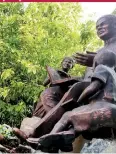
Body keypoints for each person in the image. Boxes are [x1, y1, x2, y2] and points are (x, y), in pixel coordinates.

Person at [28, 14, 116, 152]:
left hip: (101, 93)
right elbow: (91, 75)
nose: (99, 28)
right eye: (97, 26)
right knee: (51, 92)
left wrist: (97, 60)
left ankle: (37, 134)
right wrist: (94, 61)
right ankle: (52, 133)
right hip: (91, 87)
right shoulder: (101, 51)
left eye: (103, 24)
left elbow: (103, 74)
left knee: (73, 95)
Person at [13, 57, 77, 139]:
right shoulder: (55, 72)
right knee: (47, 114)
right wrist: (52, 75)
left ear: (72, 66)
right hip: (49, 96)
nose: (67, 63)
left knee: (54, 116)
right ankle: (30, 133)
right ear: (62, 63)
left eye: (70, 62)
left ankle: (43, 136)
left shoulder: (70, 79)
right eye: (66, 61)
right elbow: (44, 83)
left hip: (58, 100)